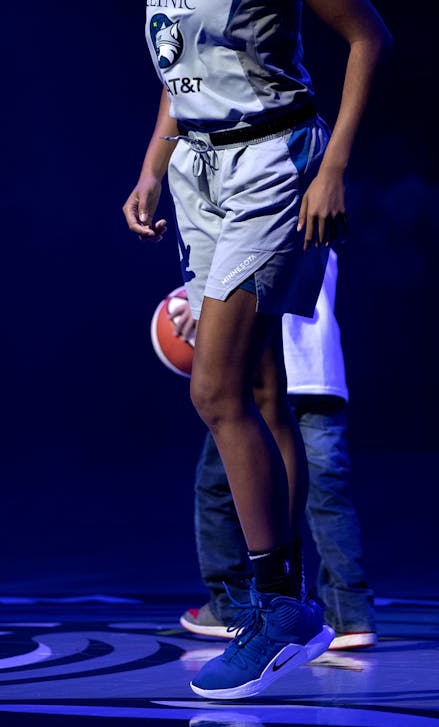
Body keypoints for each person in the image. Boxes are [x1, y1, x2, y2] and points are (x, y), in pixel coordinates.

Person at [121, 0, 391, 700]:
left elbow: (367, 34)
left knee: (215, 390)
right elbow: (177, 66)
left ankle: (278, 604)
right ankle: (293, 600)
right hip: (199, 170)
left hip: (271, 167)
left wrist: (333, 168)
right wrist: (154, 162)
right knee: (266, 393)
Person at [165, 247, 378, 650]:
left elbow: (245, 292)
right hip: (321, 375)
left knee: (217, 490)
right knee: (329, 498)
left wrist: (198, 309)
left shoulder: (257, 230)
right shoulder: (317, 223)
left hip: (265, 386)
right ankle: (349, 611)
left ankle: (228, 601)